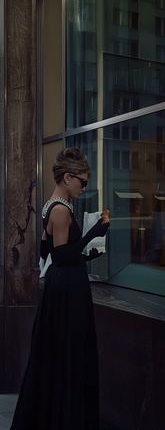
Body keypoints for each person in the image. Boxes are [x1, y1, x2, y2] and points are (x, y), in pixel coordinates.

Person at [11, 147, 110, 430]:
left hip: (61, 286)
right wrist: (95, 234)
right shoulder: (60, 210)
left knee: (57, 354)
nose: (84, 187)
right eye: (83, 181)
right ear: (68, 177)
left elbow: (45, 249)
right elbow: (63, 255)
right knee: (70, 354)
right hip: (68, 289)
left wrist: (88, 252)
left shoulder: (50, 205)